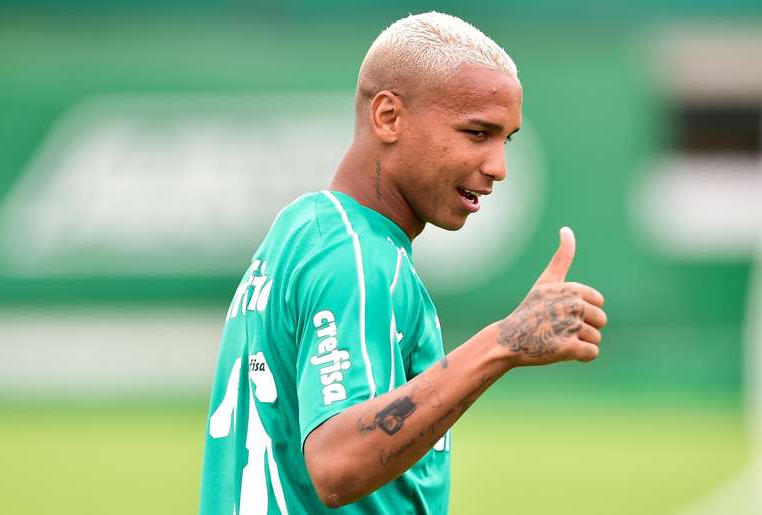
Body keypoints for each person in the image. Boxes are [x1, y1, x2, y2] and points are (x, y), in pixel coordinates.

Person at [199, 11, 607, 514]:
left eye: (507, 139)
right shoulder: (352, 255)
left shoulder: (307, 230)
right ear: (388, 117)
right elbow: (338, 463)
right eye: (477, 133)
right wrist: (502, 343)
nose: (498, 167)